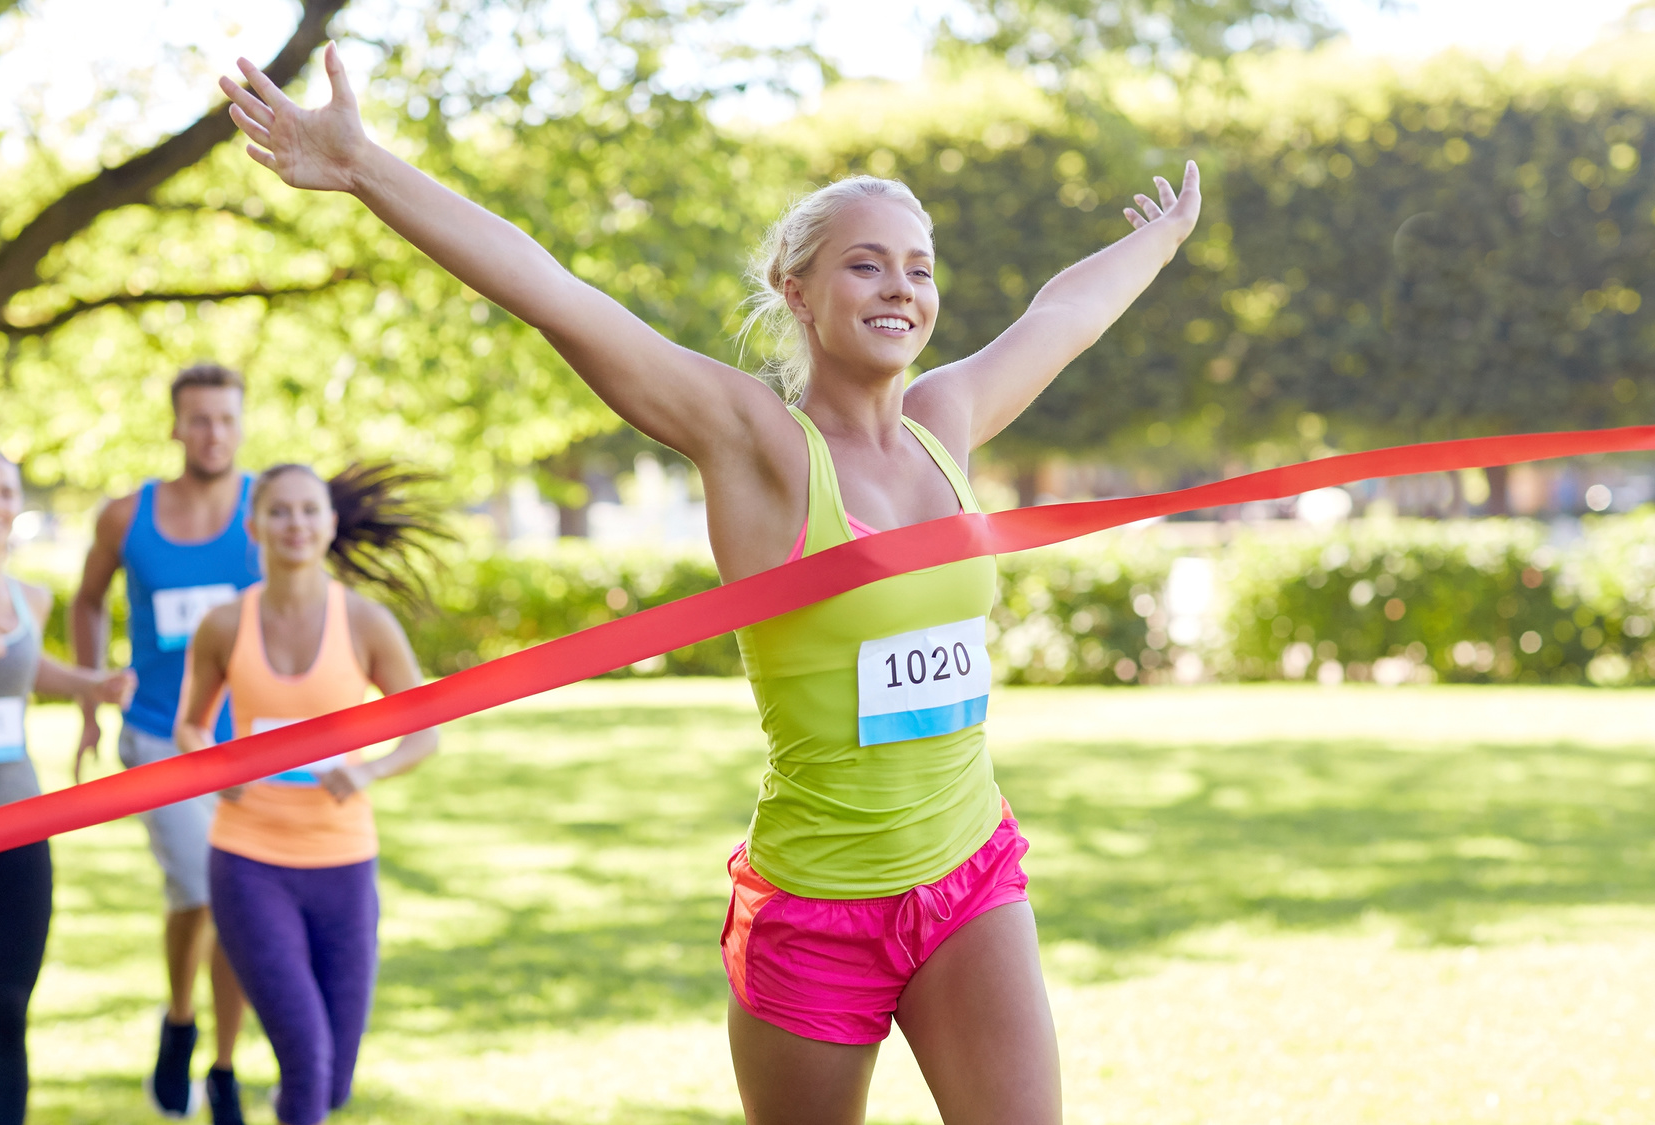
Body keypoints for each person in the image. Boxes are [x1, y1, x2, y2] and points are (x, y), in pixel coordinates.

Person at [220, 45, 1199, 1124]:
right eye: (865, 265)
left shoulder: (945, 426)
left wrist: (1155, 242)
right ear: (797, 290)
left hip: (968, 875)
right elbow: (557, 295)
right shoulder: (756, 446)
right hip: (817, 907)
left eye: (919, 268)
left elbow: (1062, 317)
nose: (901, 289)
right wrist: (364, 168)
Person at [174, 462, 440, 1125]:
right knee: (307, 1055)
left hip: (344, 864)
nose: (296, 523)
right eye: (281, 511)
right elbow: (189, 724)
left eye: (309, 510)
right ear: (254, 525)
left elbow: (424, 731)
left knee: (335, 1076)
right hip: (248, 859)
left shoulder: (366, 621)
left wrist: (369, 770)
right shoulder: (224, 623)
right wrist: (215, 766)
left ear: (329, 523)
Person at [70, 363, 257, 1122]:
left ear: (242, 425)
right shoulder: (126, 515)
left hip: (253, 740)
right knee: (206, 891)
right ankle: (182, 1017)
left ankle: (218, 1063)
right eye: (199, 419)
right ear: (176, 425)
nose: (213, 432)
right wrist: (90, 692)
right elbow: (86, 600)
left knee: (238, 900)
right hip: (157, 732)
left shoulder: (266, 510)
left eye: (226, 419)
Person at [0, 447, 136, 1125]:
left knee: (6, 1004)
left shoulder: (29, 596)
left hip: (15, 822)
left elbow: (27, 668)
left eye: (5, 492)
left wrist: (90, 684)